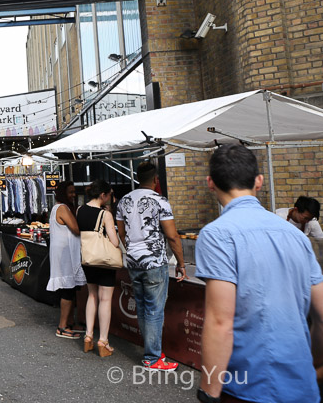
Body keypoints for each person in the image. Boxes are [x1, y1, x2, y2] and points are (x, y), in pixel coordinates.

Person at [196, 144, 323, 403]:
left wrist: (209, 393)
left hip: (248, 385)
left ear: (210, 183)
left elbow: (220, 322)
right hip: (302, 383)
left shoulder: (216, 234)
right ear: (259, 181)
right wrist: (308, 368)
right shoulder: (295, 236)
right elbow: (321, 316)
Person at [115, 161, 187, 371]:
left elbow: (121, 233)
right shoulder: (160, 201)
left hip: (134, 261)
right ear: (156, 180)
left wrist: (132, 250)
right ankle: (152, 358)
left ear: (138, 178)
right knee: (154, 310)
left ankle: (152, 350)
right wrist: (181, 263)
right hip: (154, 261)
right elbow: (172, 236)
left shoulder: (124, 200)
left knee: (142, 307)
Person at [76, 180, 120, 357]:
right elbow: (115, 241)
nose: (110, 198)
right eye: (109, 194)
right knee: (106, 299)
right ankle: (103, 341)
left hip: (88, 258)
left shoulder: (80, 210)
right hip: (104, 260)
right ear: (103, 195)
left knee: (92, 295)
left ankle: (88, 337)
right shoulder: (105, 214)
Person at [46, 180, 86, 339]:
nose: (74, 195)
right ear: (63, 193)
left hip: (66, 253)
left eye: (74, 192)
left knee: (71, 287)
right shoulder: (62, 208)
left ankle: (70, 322)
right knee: (67, 289)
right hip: (65, 255)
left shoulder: (63, 207)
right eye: (70, 192)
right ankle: (62, 327)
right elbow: (76, 229)